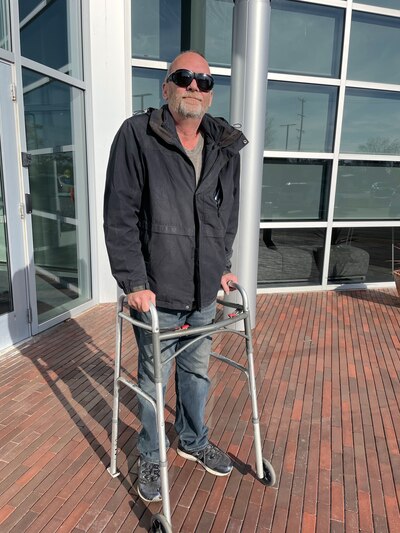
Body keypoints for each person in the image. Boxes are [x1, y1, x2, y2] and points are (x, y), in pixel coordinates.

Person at [104, 51, 247, 503]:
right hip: (157, 290)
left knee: (197, 372)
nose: (194, 86)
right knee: (153, 377)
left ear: (210, 93)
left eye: (203, 80)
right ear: (166, 87)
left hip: (204, 287)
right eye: (184, 77)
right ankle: (150, 451)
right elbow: (120, 213)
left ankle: (191, 439)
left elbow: (226, 216)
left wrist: (222, 266)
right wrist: (132, 281)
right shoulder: (137, 135)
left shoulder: (224, 146)